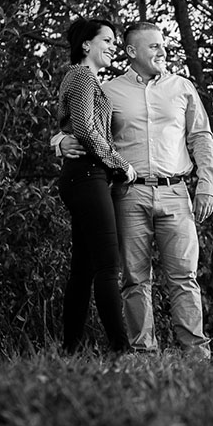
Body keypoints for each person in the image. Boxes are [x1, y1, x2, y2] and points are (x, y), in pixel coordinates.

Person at [56, 21, 213, 359]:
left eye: (163, 45)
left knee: (184, 277)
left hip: (176, 192)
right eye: (154, 46)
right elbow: (81, 125)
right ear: (132, 52)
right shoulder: (108, 89)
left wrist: (207, 184)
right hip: (128, 193)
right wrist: (59, 141)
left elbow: (201, 137)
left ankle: (196, 356)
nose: (162, 51)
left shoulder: (182, 87)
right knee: (133, 279)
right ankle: (143, 356)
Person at [56, 18, 135, 354]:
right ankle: (121, 349)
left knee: (83, 270)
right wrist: (121, 165)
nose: (113, 46)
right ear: (86, 44)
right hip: (88, 175)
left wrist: (59, 139)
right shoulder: (83, 76)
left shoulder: (81, 78)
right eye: (107, 40)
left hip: (82, 175)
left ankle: (69, 350)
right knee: (108, 267)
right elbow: (87, 132)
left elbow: (77, 127)